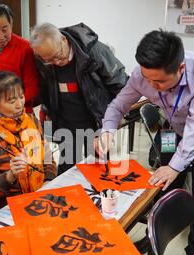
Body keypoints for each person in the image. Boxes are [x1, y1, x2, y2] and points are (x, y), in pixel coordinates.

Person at [96, 30, 194, 255]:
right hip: (173, 128)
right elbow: (118, 105)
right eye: (148, 80)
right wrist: (108, 130)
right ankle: (154, 238)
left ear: (180, 69)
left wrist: (176, 165)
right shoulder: (143, 74)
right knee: (162, 185)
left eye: (158, 82)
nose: (152, 86)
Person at [30, 22, 128, 174]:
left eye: (57, 56)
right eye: (49, 60)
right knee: (67, 172)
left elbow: (121, 85)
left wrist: (109, 125)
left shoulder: (94, 51)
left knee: (99, 171)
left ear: (63, 40)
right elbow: (45, 93)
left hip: (96, 123)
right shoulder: (44, 59)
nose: (55, 63)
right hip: (66, 125)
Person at [0, 70, 57, 213]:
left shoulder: (31, 121)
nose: (19, 105)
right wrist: (9, 176)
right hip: (9, 209)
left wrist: (47, 182)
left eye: (21, 97)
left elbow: (48, 159)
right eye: (11, 101)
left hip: (40, 199)